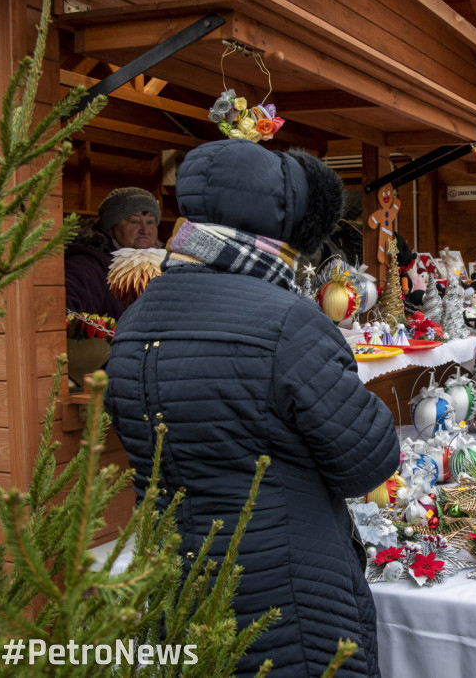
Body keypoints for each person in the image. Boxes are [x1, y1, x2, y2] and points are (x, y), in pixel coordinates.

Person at [105, 140, 400, 678]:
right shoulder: (288, 321)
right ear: (282, 226)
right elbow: (368, 461)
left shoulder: (135, 322)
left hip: (181, 593)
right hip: (289, 601)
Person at [65, 186, 162, 319]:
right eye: (134, 222)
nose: (145, 231)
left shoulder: (167, 266)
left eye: (150, 222)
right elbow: (62, 314)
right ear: (111, 227)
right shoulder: (88, 266)